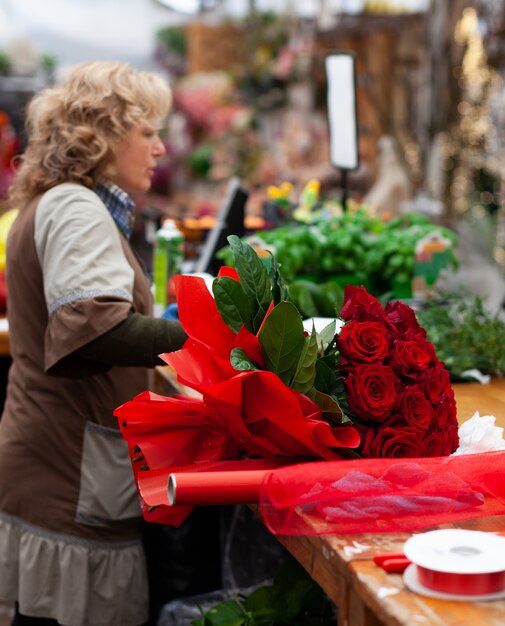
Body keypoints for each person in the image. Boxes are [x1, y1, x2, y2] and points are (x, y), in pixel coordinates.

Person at [0, 61, 189, 626]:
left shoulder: (62, 202)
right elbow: (98, 329)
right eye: (148, 132)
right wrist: (218, 334)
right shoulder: (76, 207)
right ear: (103, 137)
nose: (160, 149)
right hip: (65, 472)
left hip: (53, 457)